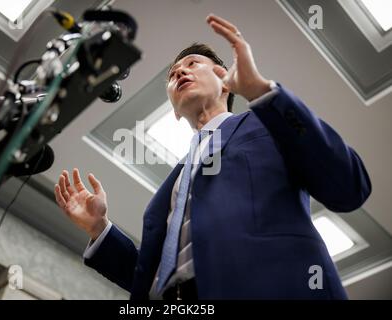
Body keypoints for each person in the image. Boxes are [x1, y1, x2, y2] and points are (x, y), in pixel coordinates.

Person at [54, 14, 371, 300]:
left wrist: (261, 91)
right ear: (175, 113)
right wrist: (101, 230)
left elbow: (349, 186)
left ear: (224, 82)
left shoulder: (270, 121)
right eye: (173, 73)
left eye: (191, 64)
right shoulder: (176, 183)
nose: (179, 72)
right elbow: (155, 279)